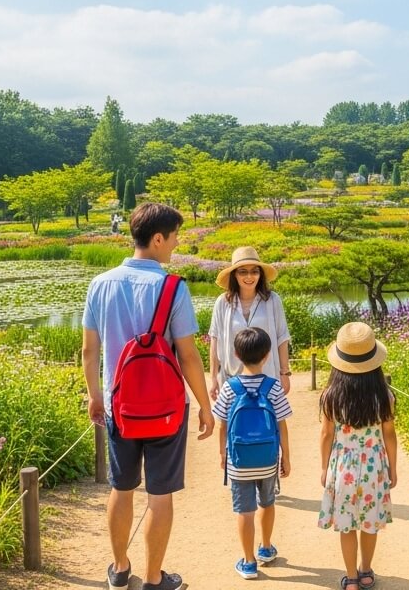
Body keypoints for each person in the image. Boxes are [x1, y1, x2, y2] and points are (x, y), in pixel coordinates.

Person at [82, 203, 214, 590]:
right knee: (160, 494)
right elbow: (188, 355)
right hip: (167, 410)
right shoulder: (173, 287)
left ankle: (120, 568)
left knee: (120, 488)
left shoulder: (101, 284)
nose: (175, 244)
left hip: (118, 408)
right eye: (174, 237)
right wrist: (205, 406)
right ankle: (155, 578)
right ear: (158, 238)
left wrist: (95, 396)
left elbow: (90, 351)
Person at [318, 322, 397, 590]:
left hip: (342, 465)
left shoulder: (331, 396)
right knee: (369, 523)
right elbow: (390, 435)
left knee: (346, 525)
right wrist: (393, 469)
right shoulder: (384, 396)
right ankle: (365, 572)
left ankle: (351, 577)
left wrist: (323, 467)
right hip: (374, 466)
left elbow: (327, 435)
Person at [213, 326, 292, 580]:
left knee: (244, 511)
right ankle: (266, 548)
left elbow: (222, 425)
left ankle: (248, 562)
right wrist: (286, 457)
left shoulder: (229, 388)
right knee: (267, 503)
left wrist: (222, 454)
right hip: (268, 460)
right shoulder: (274, 387)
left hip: (239, 461)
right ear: (268, 355)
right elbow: (282, 424)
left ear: (236, 354)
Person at [208, 246, 292, 400]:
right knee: (232, 422)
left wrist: (284, 372)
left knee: (269, 421)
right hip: (232, 380)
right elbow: (215, 341)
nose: (249, 276)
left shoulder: (272, 300)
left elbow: (282, 338)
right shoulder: (222, 302)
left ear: (260, 274)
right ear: (235, 275)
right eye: (243, 272)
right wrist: (213, 378)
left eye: (254, 271)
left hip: (268, 377)